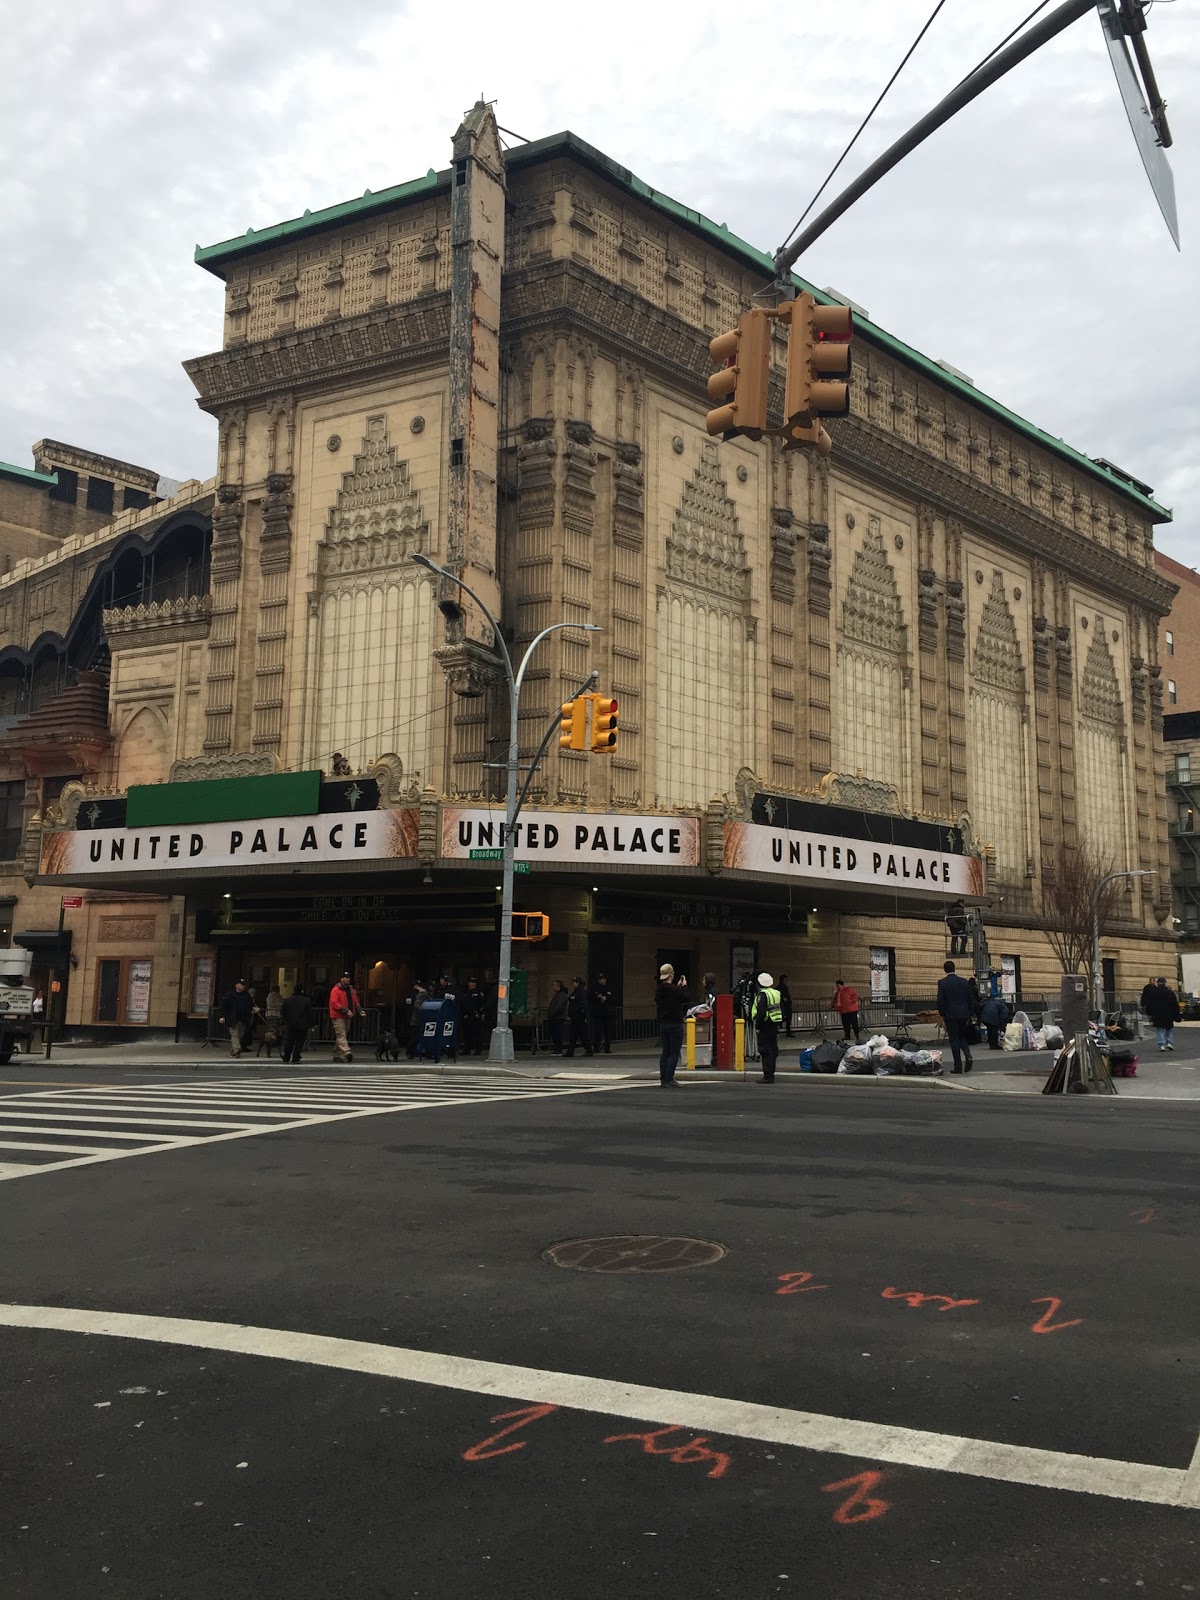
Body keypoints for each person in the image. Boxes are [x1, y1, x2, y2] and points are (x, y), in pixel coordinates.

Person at [937, 960, 978, 1074]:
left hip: (950, 1015)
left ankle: (958, 1066)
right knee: (963, 1037)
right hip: (964, 1014)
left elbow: (940, 1000)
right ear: (954, 968)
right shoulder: (964, 982)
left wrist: (942, 1014)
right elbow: (969, 999)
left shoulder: (942, 983)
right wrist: (971, 1013)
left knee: (954, 1040)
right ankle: (968, 1055)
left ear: (945, 970)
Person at [654, 963, 691, 1087]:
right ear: (671, 974)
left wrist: (677, 987)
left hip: (664, 1023)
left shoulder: (659, 990)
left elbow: (669, 996)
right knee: (674, 1053)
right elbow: (686, 997)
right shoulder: (676, 990)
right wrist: (684, 986)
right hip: (675, 1023)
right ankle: (669, 1078)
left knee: (666, 1052)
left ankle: (663, 1078)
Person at [753, 972, 784, 1083]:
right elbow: (781, 1009)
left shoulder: (762, 995)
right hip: (774, 1024)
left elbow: (761, 1013)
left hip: (765, 1024)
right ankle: (771, 1073)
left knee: (765, 1050)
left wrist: (758, 1025)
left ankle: (768, 1076)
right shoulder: (776, 993)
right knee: (772, 1049)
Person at [329, 970, 364, 1062]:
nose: (348, 979)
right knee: (341, 1034)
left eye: (348, 977)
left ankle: (336, 1054)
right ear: (341, 979)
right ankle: (346, 1051)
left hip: (347, 1015)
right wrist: (346, 1010)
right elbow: (334, 1003)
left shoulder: (351, 990)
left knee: (341, 1035)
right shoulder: (336, 989)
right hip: (338, 1015)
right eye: (346, 977)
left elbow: (355, 1002)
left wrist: (360, 1010)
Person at [218, 979, 258, 1058]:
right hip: (232, 1018)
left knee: (239, 1036)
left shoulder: (246, 995)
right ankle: (237, 1050)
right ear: (236, 985)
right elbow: (223, 1006)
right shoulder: (230, 995)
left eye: (244, 985)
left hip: (243, 1019)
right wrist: (221, 1016)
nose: (243, 986)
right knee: (235, 1035)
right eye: (241, 984)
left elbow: (252, 1004)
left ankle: (232, 1052)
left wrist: (255, 1008)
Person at [1144, 975, 1181, 1052]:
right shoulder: (1170, 993)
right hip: (1168, 1013)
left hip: (1158, 1014)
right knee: (1169, 1028)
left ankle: (1162, 1044)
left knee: (1160, 1029)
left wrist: (1149, 1013)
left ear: (1157, 983)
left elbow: (1149, 1004)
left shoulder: (1153, 992)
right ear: (1165, 983)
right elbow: (1175, 1005)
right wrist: (1176, 1015)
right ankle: (1169, 1043)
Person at [279, 984, 314, 1064]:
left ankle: (286, 1056)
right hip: (302, 1024)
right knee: (300, 1041)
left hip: (291, 1024)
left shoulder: (287, 1000)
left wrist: (287, 1020)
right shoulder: (306, 1001)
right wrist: (312, 1024)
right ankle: (296, 1057)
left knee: (289, 1041)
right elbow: (310, 1013)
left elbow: (283, 1012)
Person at [563, 977, 593, 1057]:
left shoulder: (582, 992)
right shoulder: (576, 991)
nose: (573, 984)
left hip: (579, 1017)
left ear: (578, 983)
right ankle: (570, 1051)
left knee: (583, 1034)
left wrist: (579, 1013)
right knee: (572, 1035)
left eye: (574, 982)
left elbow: (583, 1005)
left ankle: (589, 1049)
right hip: (574, 1017)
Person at [460, 978, 488, 1057]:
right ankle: (467, 1049)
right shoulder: (465, 992)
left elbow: (483, 1005)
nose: (472, 984)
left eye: (474, 983)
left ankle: (478, 1050)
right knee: (467, 1034)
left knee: (477, 1035)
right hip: (467, 1016)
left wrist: (481, 1014)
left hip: (476, 1016)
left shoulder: (479, 993)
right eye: (471, 982)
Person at [589, 973, 616, 1055]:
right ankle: (596, 1047)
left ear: (605, 979)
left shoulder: (610, 988)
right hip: (598, 1013)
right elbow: (590, 997)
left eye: (602, 979)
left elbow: (614, 999)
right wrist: (597, 997)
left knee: (607, 1031)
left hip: (607, 1013)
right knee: (597, 1031)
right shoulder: (594, 988)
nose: (600, 981)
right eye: (599, 979)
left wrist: (606, 998)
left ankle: (607, 1047)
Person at [830, 978, 861, 1043]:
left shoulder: (848, 989)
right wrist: (832, 1005)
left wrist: (852, 1001)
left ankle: (857, 1035)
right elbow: (835, 1000)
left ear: (841, 985)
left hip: (851, 1009)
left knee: (854, 1023)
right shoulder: (838, 993)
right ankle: (847, 1035)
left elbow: (854, 995)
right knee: (846, 1024)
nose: (838, 987)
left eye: (838, 985)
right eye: (837, 986)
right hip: (843, 1010)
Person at [546, 980, 569, 1055]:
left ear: (558, 986)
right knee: (555, 1033)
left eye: (554, 985)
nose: (552, 987)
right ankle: (557, 1048)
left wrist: (552, 1013)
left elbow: (558, 1006)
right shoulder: (558, 994)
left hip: (558, 1017)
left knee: (558, 1034)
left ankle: (558, 1049)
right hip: (555, 1017)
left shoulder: (561, 995)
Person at [777, 974, 793, 1038]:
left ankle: (788, 1032)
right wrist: (782, 998)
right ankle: (778, 1030)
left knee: (788, 1019)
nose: (786, 981)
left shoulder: (786, 987)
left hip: (788, 1005)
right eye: (785, 980)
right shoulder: (779, 988)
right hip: (783, 1006)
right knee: (781, 1019)